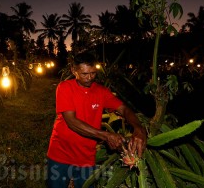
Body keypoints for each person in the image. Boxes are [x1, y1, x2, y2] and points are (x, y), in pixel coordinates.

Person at [46, 51, 147, 188]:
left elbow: (124, 109)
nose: (89, 78)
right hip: (61, 154)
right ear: (73, 70)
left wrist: (138, 128)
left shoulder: (101, 91)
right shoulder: (65, 88)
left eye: (93, 73)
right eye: (84, 74)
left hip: (86, 156)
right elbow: (72, 122)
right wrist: (106, 136)